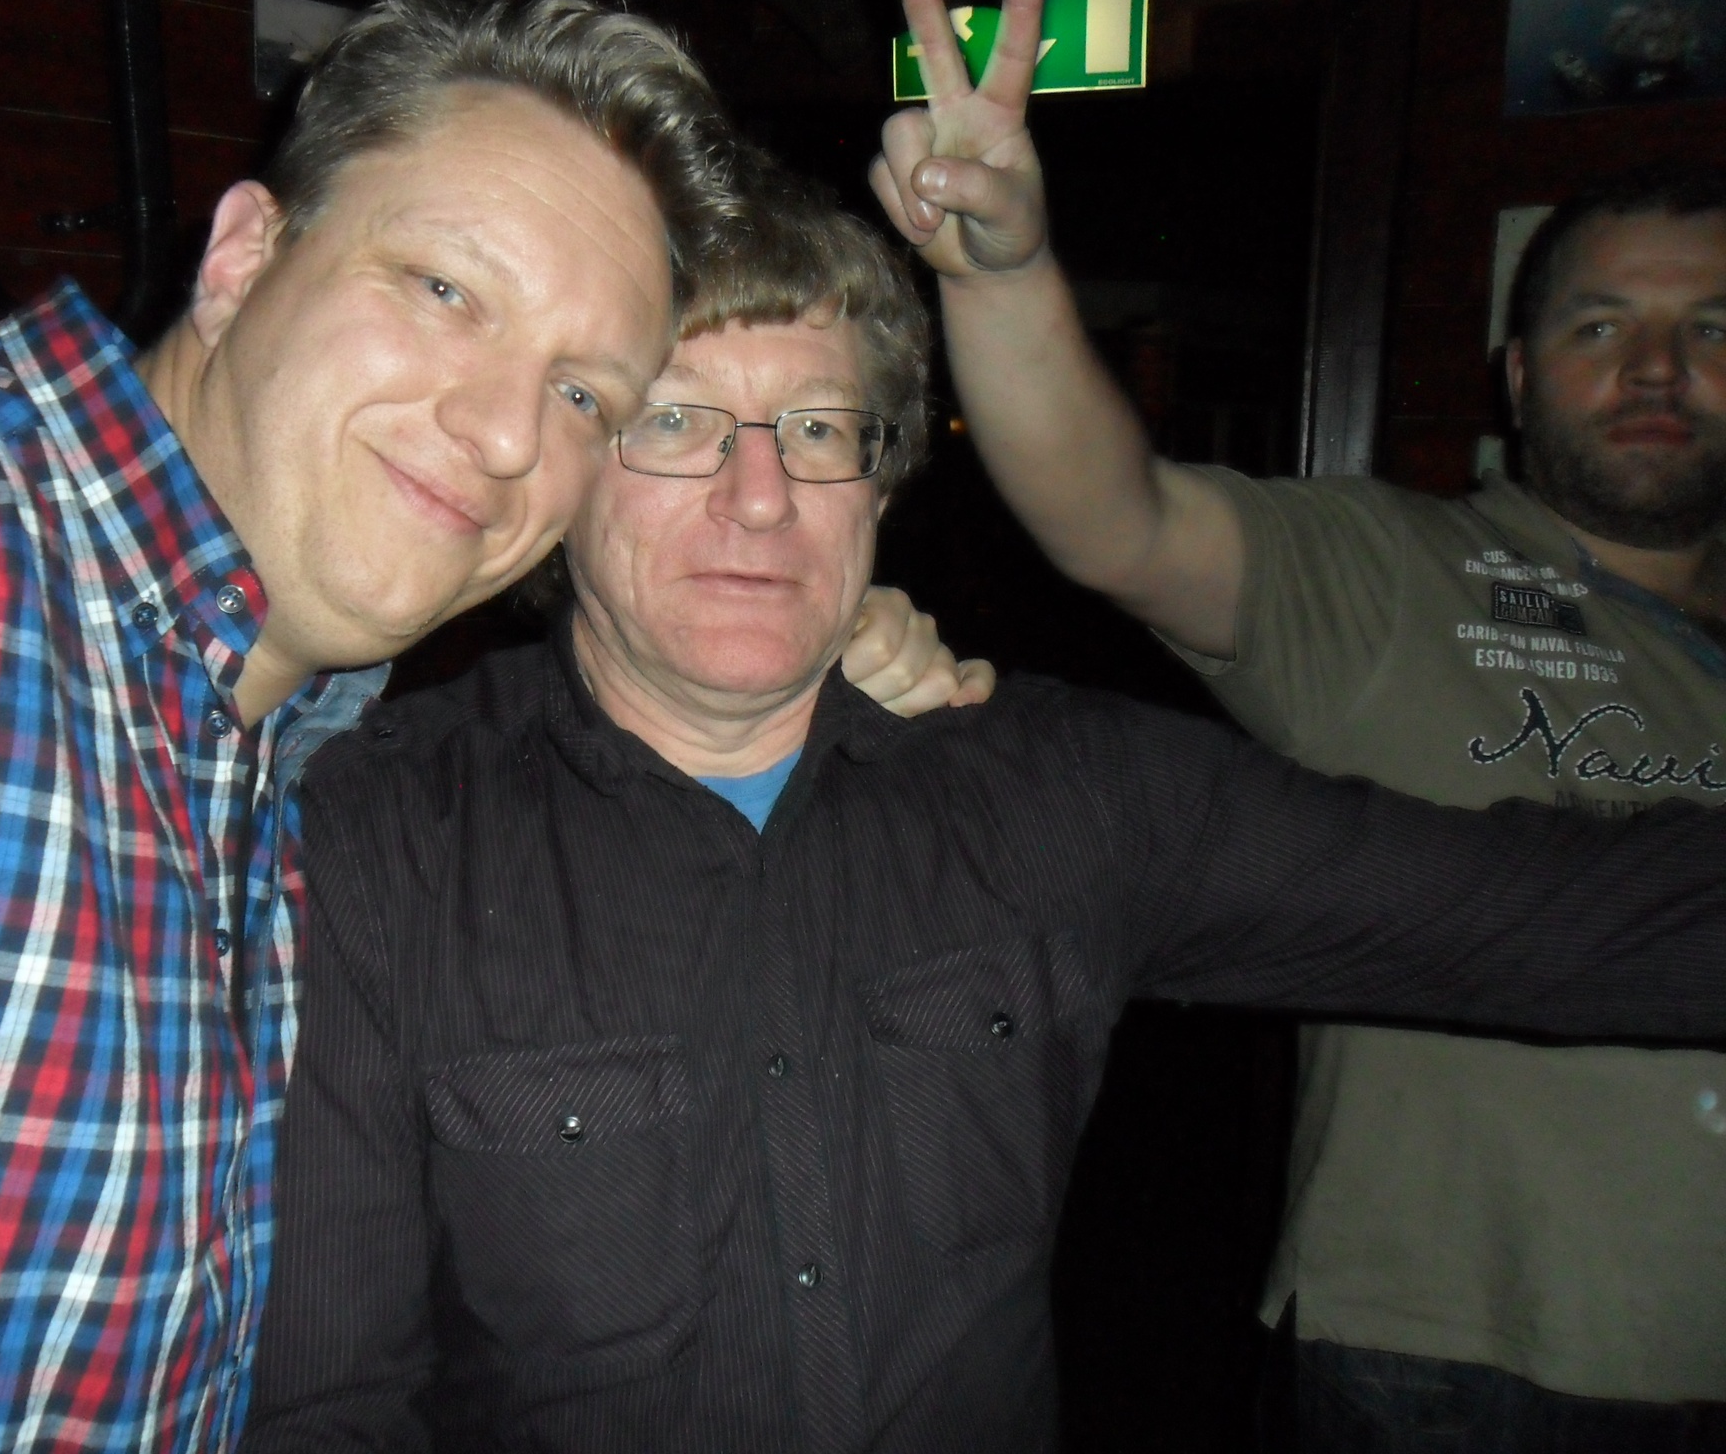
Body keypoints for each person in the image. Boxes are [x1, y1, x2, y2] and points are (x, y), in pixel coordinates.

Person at [243, 163, 1726, 1454]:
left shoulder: (1056, 791)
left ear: (883, 484)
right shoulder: (376, 839)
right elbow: (326, 1405)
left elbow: (1541, 917)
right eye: (678, 422)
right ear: (572, 477)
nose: (758, 497)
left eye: (818, 430)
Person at [0, 0, 981, 1452]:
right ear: (244, 256)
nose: (506, 432)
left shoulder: (280, 748)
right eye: (446, 290)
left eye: (581, 395)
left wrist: (802, 647)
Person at [869, 0, 1726, 1446]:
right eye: (1600, 327)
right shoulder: (1396, 577)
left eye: (1711, 331)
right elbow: (1115, 517)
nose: (1656, 370)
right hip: (1463, 1371)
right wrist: (1002, 273)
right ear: (1517, 376)